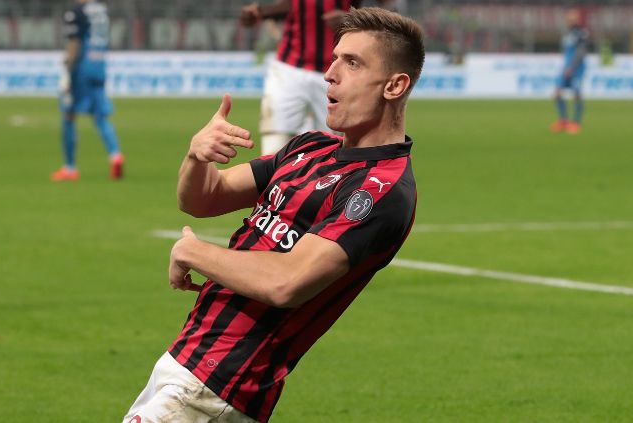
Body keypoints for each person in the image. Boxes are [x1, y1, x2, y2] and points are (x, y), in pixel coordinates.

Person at [122, 7, 424, 423]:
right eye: (335, 58)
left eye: (352, 63)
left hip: (220, 384)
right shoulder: (310, 147)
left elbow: (287, 282)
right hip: (188, 359)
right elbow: (204, 198)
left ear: (395, 85)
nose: (329, 73)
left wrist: (193, 252)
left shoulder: (381, 189)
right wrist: (197, 156)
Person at [240, 0, 390, 155]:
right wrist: (261, 13)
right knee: (275, 145)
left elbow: (386, 5)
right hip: (288, 69)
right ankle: (275, 179)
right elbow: (291, 5)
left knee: (331, 149)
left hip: (335, 72)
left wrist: (352, 19)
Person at [51, 0, 124, 181]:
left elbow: (74, 41)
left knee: (68, 114)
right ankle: (115, 155)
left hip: (82, 69)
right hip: (99, 65)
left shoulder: (76, 11)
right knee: (100, 117)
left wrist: (69, 66)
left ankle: (69, 167)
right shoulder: (101, 9)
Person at [550, 8, 589, 135]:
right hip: (566, 66)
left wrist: (571, 67)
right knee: (557, 93)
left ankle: (576, 123)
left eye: (573, 17)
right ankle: (563, 120)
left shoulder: (582, 33)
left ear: (577, 19)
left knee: (577, 94)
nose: (570, 19)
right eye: (569, 17)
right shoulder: (567, 33)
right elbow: (567, 51)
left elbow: (581, 52)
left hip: (577, 67)